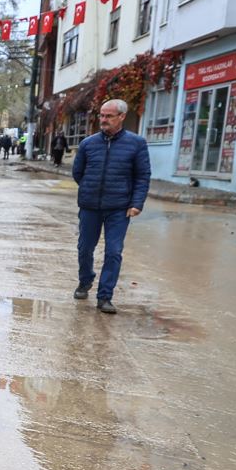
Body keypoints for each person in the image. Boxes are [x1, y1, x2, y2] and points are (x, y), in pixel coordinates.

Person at [72, 99, 150, 314]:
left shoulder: (136, 144)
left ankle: (105, 296)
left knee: (114, 252)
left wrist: (136, 203)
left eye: (109, 116)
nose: (103, 120)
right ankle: (85, 280)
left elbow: (142, 176)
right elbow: (78, 173)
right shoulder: (88, 144)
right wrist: (90, 189)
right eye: (102, 116)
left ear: (121, 117)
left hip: (119, 208)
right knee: (85, 248)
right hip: (90, 206)